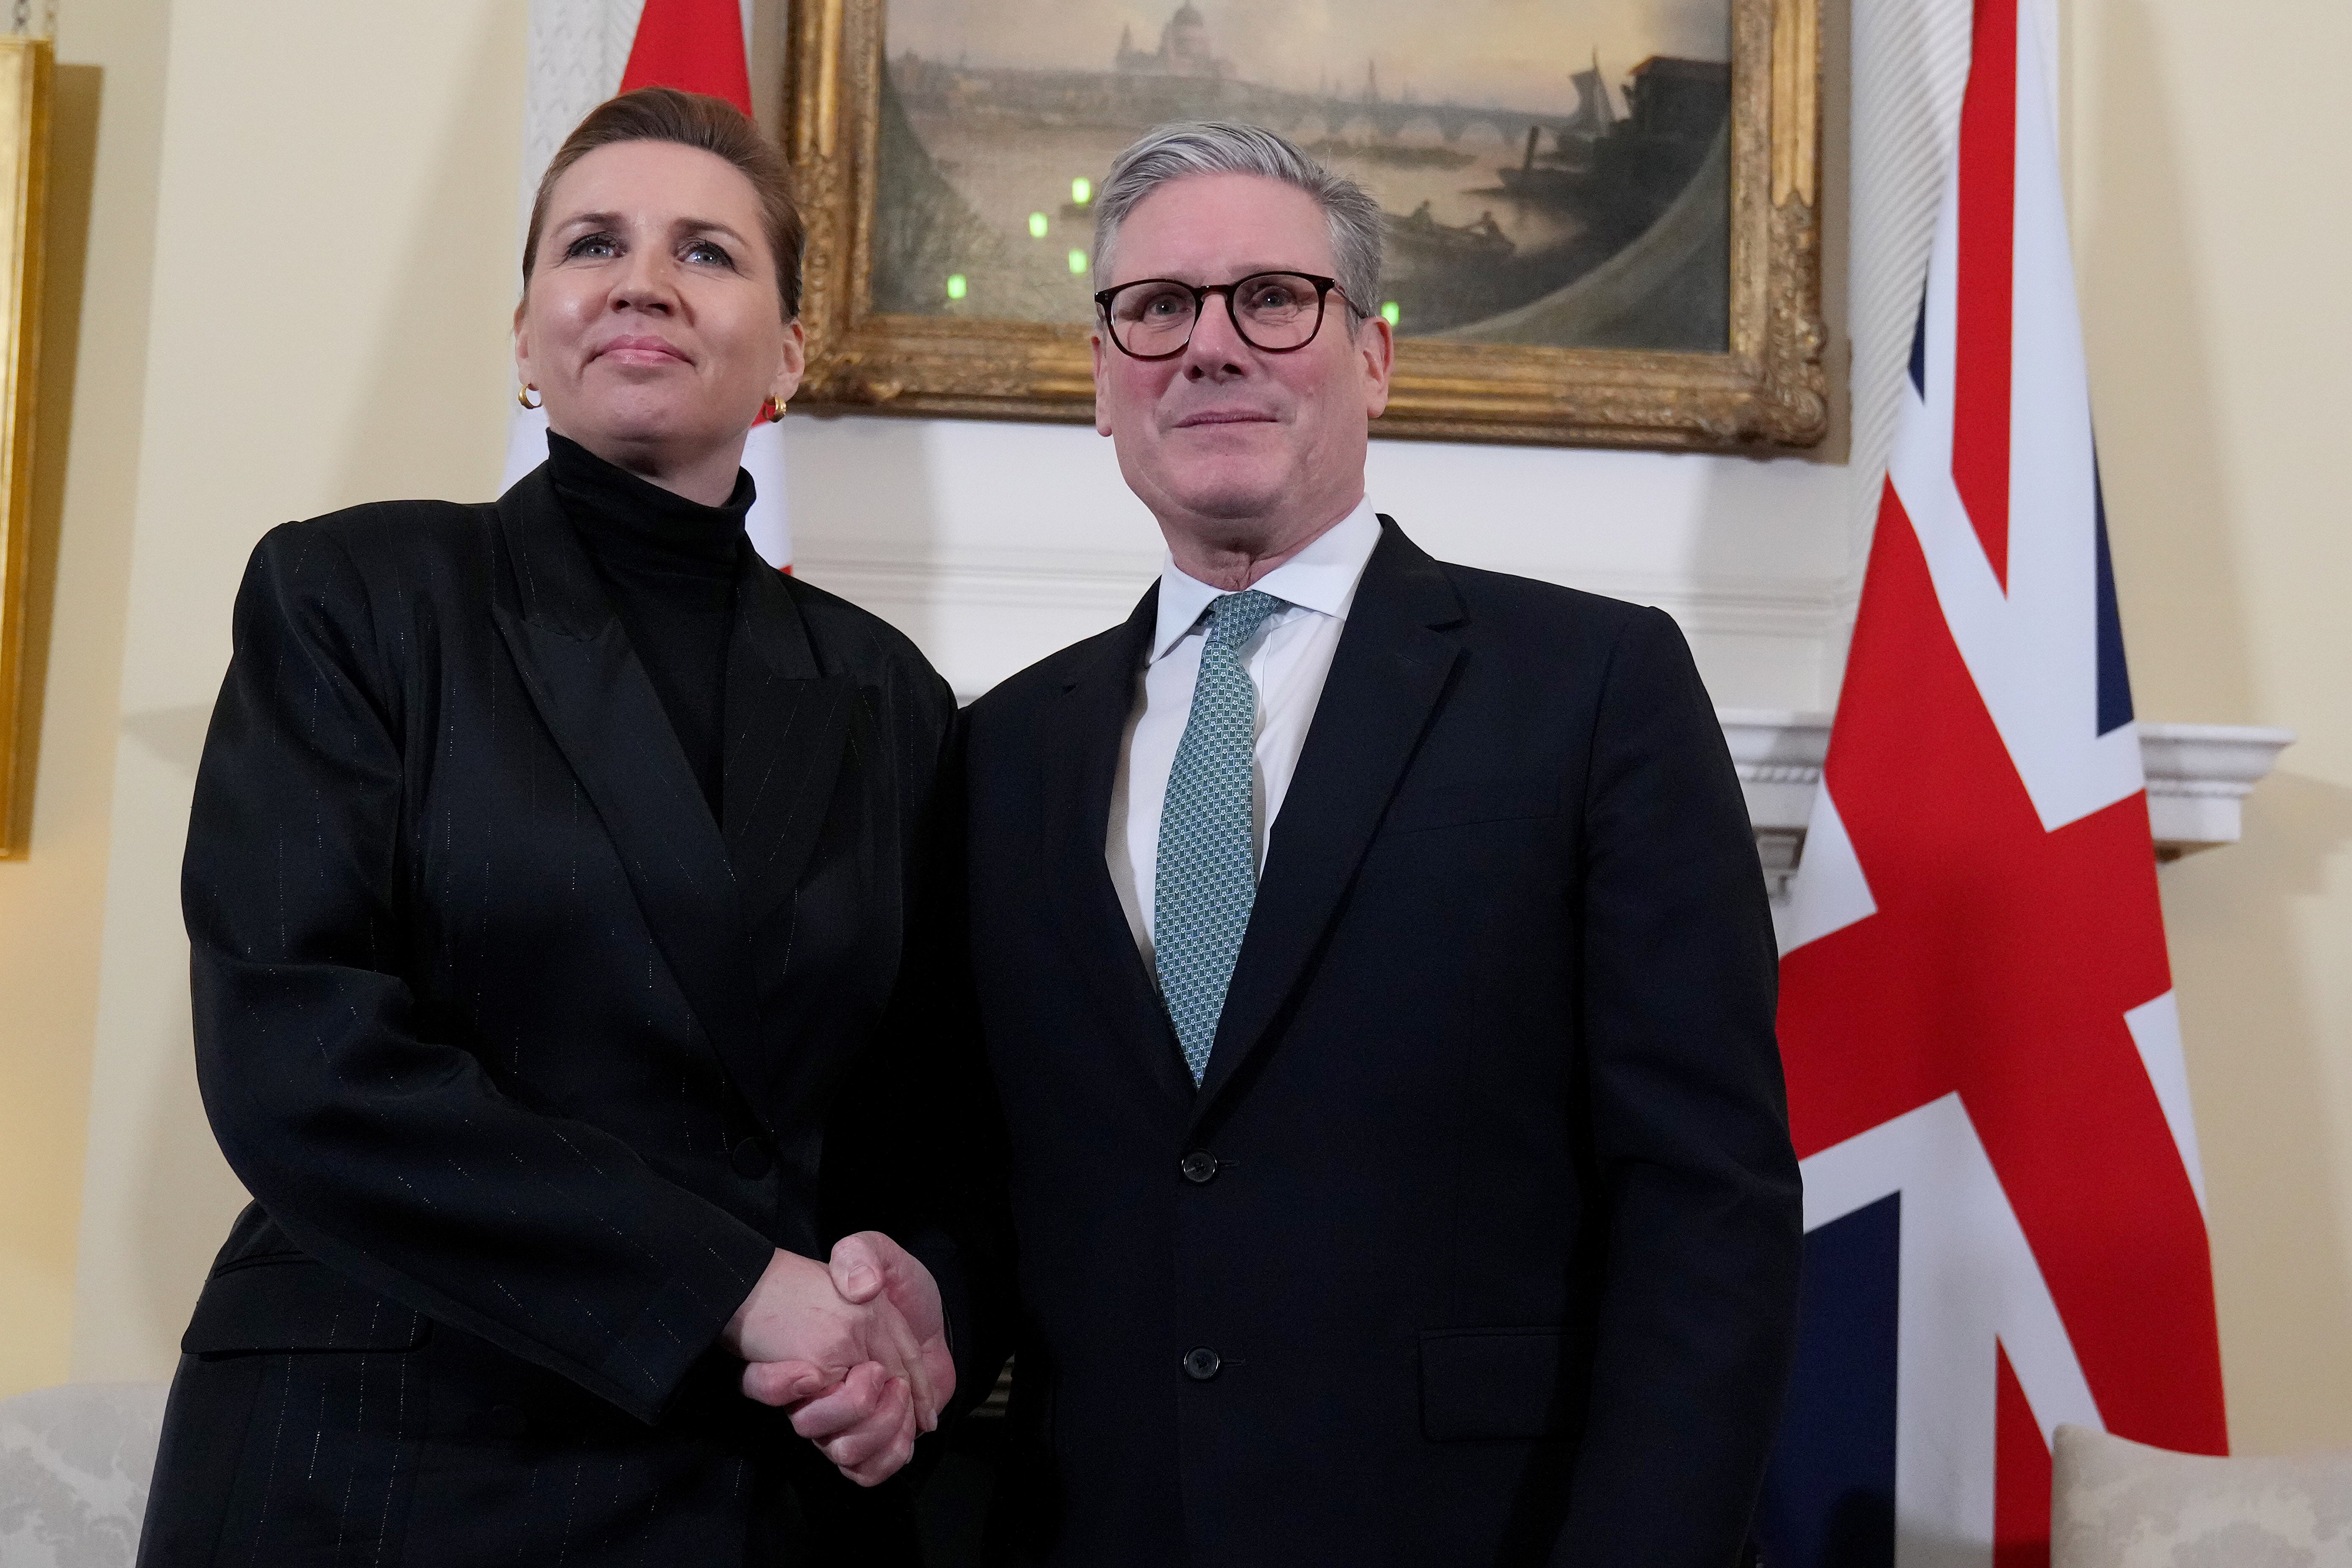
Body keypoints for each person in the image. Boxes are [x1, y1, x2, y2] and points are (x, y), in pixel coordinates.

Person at [138, 89, 993, 1566]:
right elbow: (297, 1051)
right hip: (378, 1462)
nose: (643, 280)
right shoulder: (356, 596)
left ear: (790, 353)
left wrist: (914, 1329)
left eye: (708, 251)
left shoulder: (888, 697)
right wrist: (734, 1285)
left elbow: (937, 1117)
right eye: (592, 244)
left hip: (742, 1483)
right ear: (527, 337)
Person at [959, 122, 1802, 1566]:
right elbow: (988, 1173)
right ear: (1102, 380)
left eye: (1270, 299)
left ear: (1373, 356)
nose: (1209, 346)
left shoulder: (1594, 686)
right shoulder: (1005, 747)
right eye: (1156, 308)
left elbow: (1704, 1199)